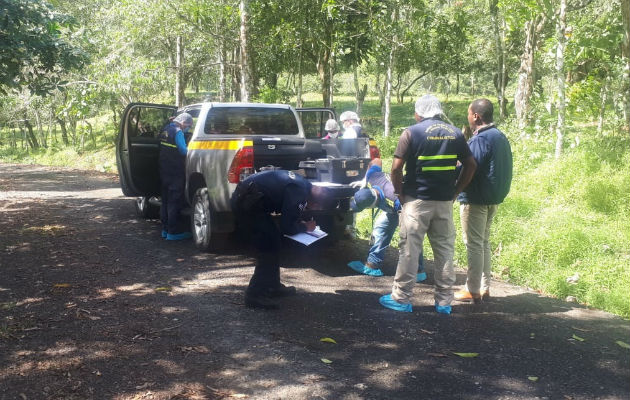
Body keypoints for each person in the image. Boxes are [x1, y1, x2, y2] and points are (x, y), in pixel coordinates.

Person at [379, 94, 477, 314]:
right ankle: (444, 302)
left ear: (418, 113)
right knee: (444, 251)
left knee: (409, 250)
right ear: (439, 111)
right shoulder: (455, 134)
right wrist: (456, 190)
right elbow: (471, 165)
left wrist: (399, 193)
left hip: (416, 201)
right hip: (443, 201)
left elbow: (396, 168)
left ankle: (401, 298)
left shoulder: (411, 133)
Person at [230, 170, 330, 309]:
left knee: (274, 240)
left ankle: (273, 286)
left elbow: (287, 210)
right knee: (268, 246)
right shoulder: (299, 193)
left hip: (250, 198)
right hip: (247, 205)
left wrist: (298, 221)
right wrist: (306, 227)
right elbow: (287, 227)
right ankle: (254, 295)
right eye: (316, 207)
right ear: (314, 204)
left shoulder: (304, 184)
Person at [454, 99, 513, 303]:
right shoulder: (499, 136)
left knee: (474, 244)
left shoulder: (480, 139)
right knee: (483, 242)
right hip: (492, 198)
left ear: (476, 116)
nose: (468, 118)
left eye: (469, 114)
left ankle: (472, 288)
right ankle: (484, 286)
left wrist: (456, 186)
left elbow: (469, 167)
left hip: (476, 198)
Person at [346, 159, 426, 281]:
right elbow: (377, 161)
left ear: (373, 204)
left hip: (408, 204)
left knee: (411, 237)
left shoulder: (394, 197)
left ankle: (417, 271)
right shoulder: (373, 177)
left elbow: (410, 214)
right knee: (380, 228)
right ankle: (372, 264)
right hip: (393, 207)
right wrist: (365, 178)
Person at [159, 113, 194, 240]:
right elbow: (183, 151)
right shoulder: (178, 132)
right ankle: (173, 232)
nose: (188, 128)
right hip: (175, 171)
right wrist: (192, 148)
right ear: (184, 123)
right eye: (189, 126)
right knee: (174, 201)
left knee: (165, 200)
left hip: (164, 169)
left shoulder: (167, 129)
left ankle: (165, 229)